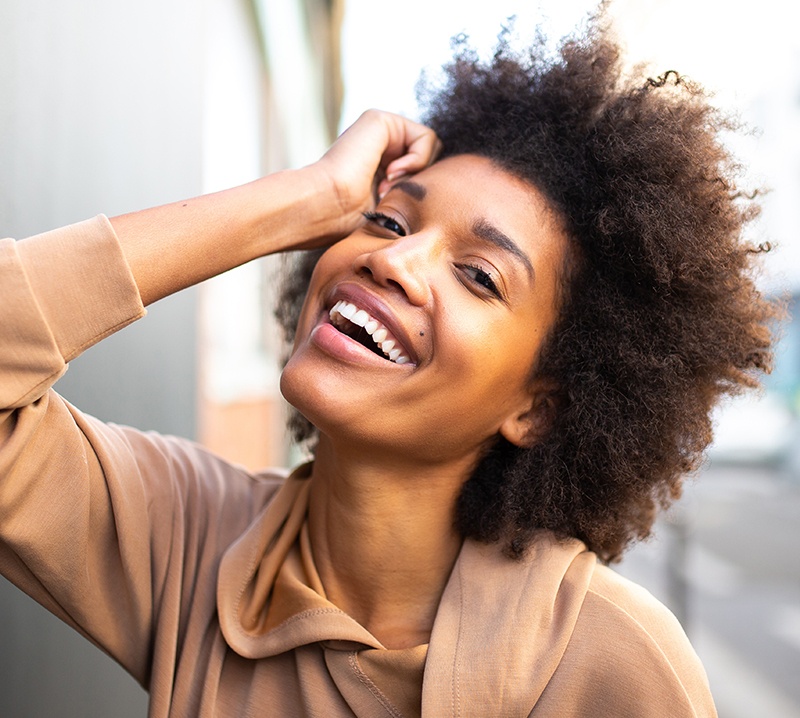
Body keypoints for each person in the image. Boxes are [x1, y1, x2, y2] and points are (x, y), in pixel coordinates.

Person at [0, 16, 779, 718]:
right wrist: (301, 201)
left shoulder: (610, 668)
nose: (393, 260)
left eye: (479, 275)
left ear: (537, 408)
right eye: (384, 219)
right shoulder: (188, 539)